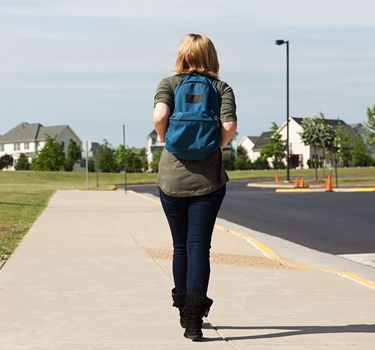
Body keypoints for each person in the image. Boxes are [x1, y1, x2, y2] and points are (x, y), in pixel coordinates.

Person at [153, 33, 237, 341]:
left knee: (179, 246)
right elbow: (228, 126)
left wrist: (165, 139)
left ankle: (181, 309)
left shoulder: (169, 84)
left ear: (182, 56)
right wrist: (218, 144)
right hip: (208, 181)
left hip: (171, 178)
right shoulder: (221, 88)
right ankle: (193, 321)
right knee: (199, 246)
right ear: (211, 57)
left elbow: (160, 115)